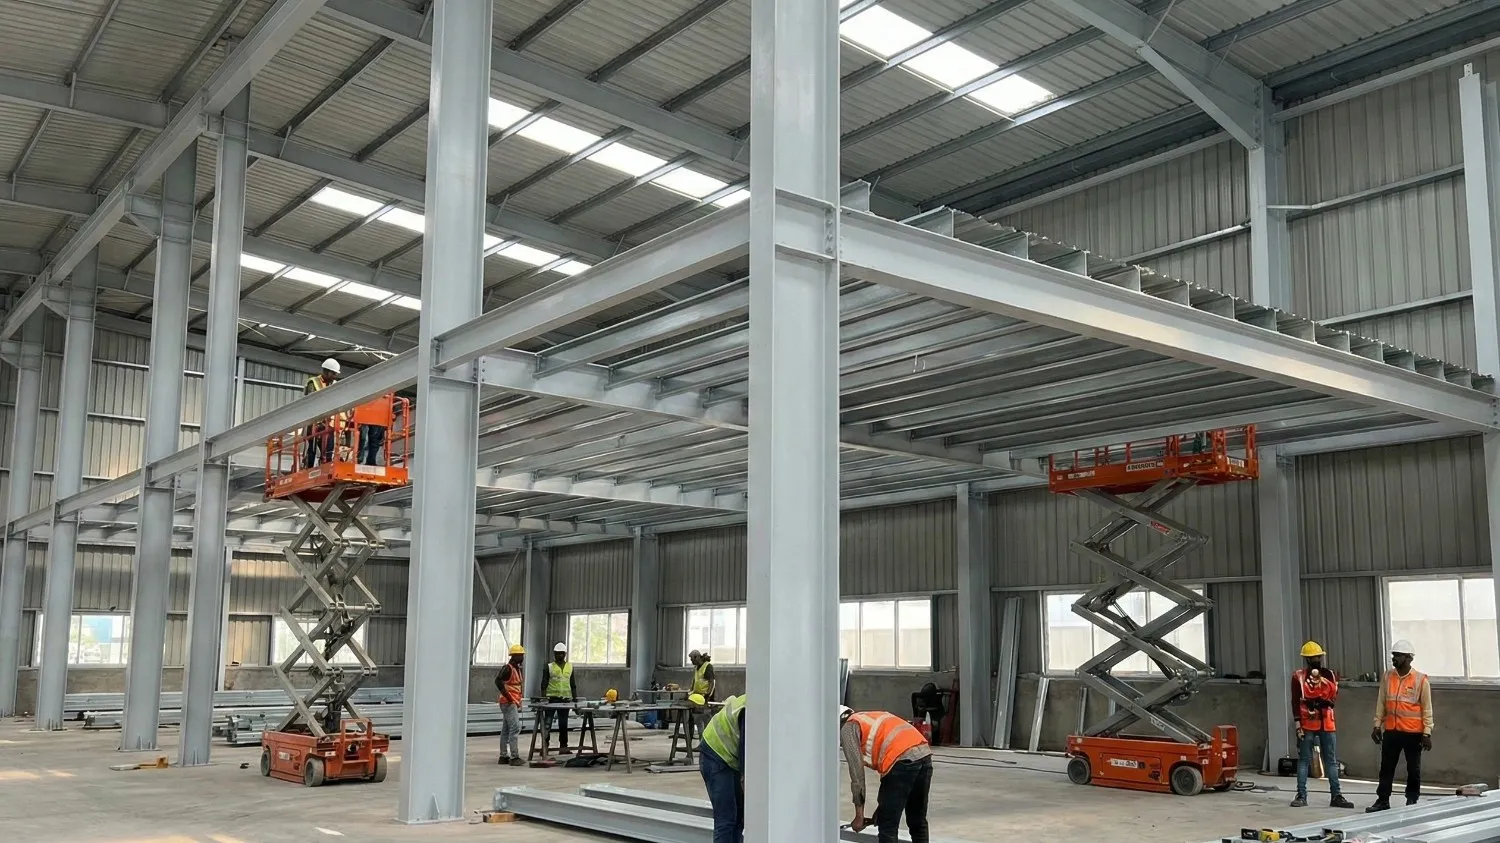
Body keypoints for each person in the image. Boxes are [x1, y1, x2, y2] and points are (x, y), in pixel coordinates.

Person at [840, 706, 932, 843]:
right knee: (917, 820)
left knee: (887, 826)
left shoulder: (848, 728)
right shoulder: (869, 716)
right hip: (924, 754)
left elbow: (857, 776)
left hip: (900, 759)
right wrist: (882, 807)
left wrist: (859, 816)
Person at [1367, 639, 1434, 812]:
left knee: (1413, 770)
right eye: (1393, 655)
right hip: (1391, 731)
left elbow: (1427, 709)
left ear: (1408, 658)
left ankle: (1411, 801)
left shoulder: (1420, 680)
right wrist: (1377, 725)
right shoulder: (1388, 676)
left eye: (1398, 655)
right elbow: (1381, 702)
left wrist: (1426, 733)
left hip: (1413, 733)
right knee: (1386, 768)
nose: (1394, 658)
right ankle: (1382, 800)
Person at [1290, 640, 1354, 808]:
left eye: (1317, 656)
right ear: (1307, 659)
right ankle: (1301, 795)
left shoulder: (1329, 675)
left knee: (1331, 761)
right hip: (1307, 724)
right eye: (1313, 657)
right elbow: (1295, 701)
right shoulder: (1298, 677)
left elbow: (1332, 697)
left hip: (1326, 722)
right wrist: (1297, 723)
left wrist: (1320, 698)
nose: (1316, 659)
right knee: (1304, 760)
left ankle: (1336, 795)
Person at [698, 693, 744, 843]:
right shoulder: (752, 709)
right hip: (715, 755)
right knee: (726, 818)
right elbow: (746, 747)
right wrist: (745, 777)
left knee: (739, 816)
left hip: (730, 758)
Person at [538, 642, 579, 754]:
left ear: (565, 654)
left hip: (565, 699)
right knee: (547, 723)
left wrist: (575, 700)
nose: (559, 656)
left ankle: (563, 746)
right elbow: (544, 683)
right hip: (552, 699)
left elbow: (573, 684)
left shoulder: (570, 667)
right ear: (554, 654)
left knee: (563, 724)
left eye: (561, 654)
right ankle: (545, 746)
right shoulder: (549, 667)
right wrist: (543, 698)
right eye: (557, 654)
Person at [301, 359, 342, 468]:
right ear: (326, 372)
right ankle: (309, 468)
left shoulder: (334, 384)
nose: (334, 376)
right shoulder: (313, 382)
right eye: (333, 374)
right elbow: (311, 400)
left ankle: (327, 467)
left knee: (329, 449)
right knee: (312, 448)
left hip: (329, 423)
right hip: (314, 422)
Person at [493, 643, 526, 766]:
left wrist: (518, 702)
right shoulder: (508, 668)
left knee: (506, 729)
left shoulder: (516, 668)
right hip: (508, 702)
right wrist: (508, 697)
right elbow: (498, 681)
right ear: (515, 656)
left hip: (512, 702)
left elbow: (517, 687)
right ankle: (514, 756)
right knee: (515, 727)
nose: (522, 657)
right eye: (521, 655)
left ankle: (503, 756)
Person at [689, 649, 718, 735]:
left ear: (697, 657)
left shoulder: (707, 667)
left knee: (706, 721)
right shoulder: (696, 668)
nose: (691, 661)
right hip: (697, 697)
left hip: (705, 698)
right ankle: (701, 742)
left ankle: (706, 742)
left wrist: (708, 696)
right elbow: (695, 681)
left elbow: (712, 682)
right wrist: (690, 692)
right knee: (698, 720)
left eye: (692, 659)